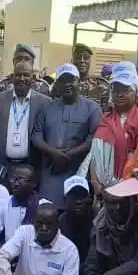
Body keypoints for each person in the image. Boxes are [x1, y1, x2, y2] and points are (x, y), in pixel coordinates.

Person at [31, 64, 101, 209]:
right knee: (48, 213)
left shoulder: (92, 108)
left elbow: (93, 138)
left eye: (72, 80)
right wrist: (53, 152)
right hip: (50, 172)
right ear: (57, 84)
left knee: (75, 216)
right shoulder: (47, 107)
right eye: (63, 80)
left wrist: (68, 155)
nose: (68, 84)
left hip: (77, 173)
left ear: (79, 82)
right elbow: (36, 135)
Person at [80, 66, 138, 195]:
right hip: (103, 191)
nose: (119, 95)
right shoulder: (106, 118)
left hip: (131, 191)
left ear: (135, 92)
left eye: (125, 90)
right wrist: (95, 183)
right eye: (115, 90)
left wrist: (125, 188)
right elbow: (95, 153)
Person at [0, 61, 52, 182]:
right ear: (12, 77)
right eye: (18, 75)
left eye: (26, 75)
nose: (21, 78)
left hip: (30, 168)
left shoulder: (44, 103)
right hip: (1, 169)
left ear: (33, 78)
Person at [0, 163, 40, 242]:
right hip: (10, 251)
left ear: (34, 183)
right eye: (13, 179)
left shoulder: (43, 205)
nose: (16, 184)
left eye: (21, 180)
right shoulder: (2, 204)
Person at [59, 176, 93, 271]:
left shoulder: (98, 218)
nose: (78, 201)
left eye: (82, 197)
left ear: (89, 199)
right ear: (65, 200)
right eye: (74, 197)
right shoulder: (61, 222)